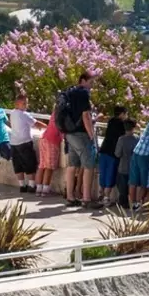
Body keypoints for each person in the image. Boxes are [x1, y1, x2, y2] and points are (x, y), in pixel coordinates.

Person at [55, 73, 97, 206]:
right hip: (80, 134)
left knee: (72, 165)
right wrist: (91, 135)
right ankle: (86, 198)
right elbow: (86, 116)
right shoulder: (83, 94)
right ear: (83, 81)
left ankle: (70, 197)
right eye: (90, 82)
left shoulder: (69, 91)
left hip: (69, 133)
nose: (91, 86)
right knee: (89, 165)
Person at [97, 106, 134, 208]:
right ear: (122, 113)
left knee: (103, 174)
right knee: (110, 175)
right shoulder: (122, 124)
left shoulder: (111, 121)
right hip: (112, 153)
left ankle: (100, 195)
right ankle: (106, 198)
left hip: (104, 150)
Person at [6, 93, 39, 194]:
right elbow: (35, 123)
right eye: (23, 103)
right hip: (24, 143)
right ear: (17, 104)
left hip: (14, 143)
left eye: (26, 103)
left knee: (18, 165)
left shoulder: (12, 113)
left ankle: (22, 185)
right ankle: (32, 185)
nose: (25, 105)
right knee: (30, 164)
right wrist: (47, 126)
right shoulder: (24, 114)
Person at [35, 105, 64, 197]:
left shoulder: (54, 114)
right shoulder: (62, 116)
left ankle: (38, 189)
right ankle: (45, 190)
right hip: (52, 141)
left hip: (44, 138)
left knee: (42, 165)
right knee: (49, 167)